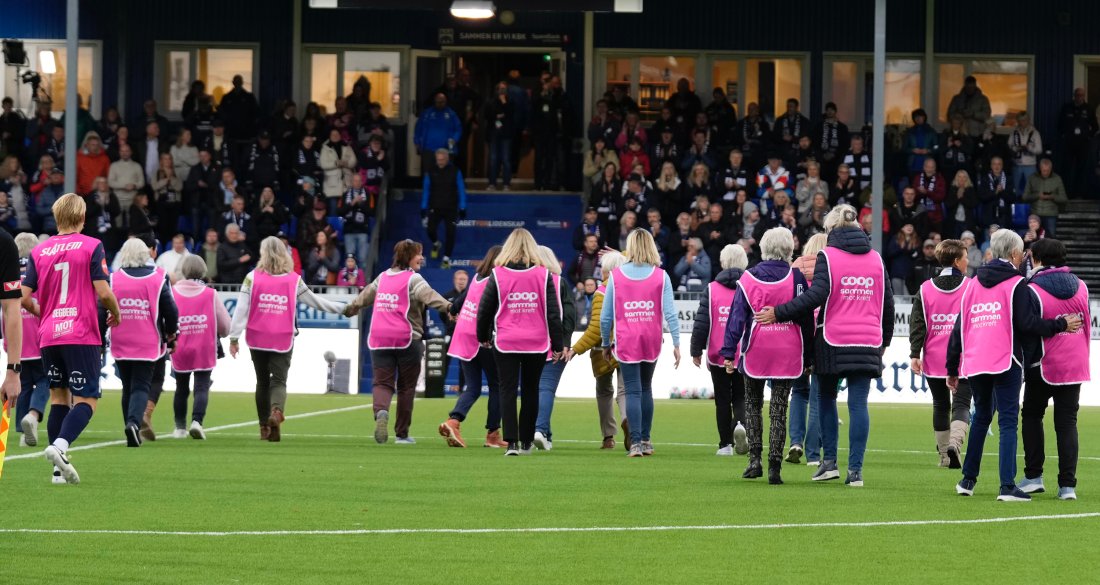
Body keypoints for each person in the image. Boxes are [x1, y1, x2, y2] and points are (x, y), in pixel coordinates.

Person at [754, 205, 894, 487]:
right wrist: (884, 342)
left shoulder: (827, 257)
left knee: (826, 399)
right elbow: (887, 305)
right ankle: (856, 471)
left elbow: (815, 296)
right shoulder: (877, 260)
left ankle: (829, 462)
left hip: (832, 339)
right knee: (858, 405)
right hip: (868, 341)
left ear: (831, 230)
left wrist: (779, 312)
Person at [946, 229, 1081, 502]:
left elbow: (960, 327)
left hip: (976, 359)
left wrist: (952, 367)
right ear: (1013, 254)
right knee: (1008, 423)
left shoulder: (971, 283)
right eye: (1020, 253)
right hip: (1007, 359)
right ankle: (1007, 486)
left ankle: (967, 480)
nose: (1022, 258)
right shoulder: (1016, 283)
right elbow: (1028, 323)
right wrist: (1060, 324)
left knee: (981, 418)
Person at [23, 193, 121, 484]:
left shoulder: (39, 251)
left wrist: (44, 312)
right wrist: (116, 312)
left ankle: (57, 472)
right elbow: (103, 292)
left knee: (58, 399)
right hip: (80, 333)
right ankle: (60, 447)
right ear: (81, 217)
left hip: (50, 334)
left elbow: (24, 298)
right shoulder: (92, 245)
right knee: (87, 400)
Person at [228, 236, 345, 441]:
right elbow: (315, 302)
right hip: (282, 337)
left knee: (262, 382)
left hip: (257, 336)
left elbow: (241, 309)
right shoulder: (293, 279)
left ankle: (264, 427)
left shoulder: (252, 277)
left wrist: (234, 338)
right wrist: (343, 309)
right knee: (279, 381)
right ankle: (276, 411)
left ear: (263, 253)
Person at [723, 228, 812, 484]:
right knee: (779, 409)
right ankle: (775, 466)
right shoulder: (796, 278)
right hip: (788, 349)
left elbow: (737, 317)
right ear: (788, 249)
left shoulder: (748, 278)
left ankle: (755, 461)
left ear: (764, 248)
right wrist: (808, 356)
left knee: (752, 404)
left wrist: (729, 352)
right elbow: (805, 317)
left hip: (757, 349)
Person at [346, 239, 450, 444]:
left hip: (379, 339)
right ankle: (401, 434)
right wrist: (449, 307)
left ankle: (381, 412)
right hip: (407, 339)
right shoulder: (414, 279)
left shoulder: (382, 277)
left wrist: (351, 308)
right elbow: (430, 296)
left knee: (382, 383)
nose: (421, 258)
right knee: (406, 387)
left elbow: (364, 296)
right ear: (409, 257)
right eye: (418, 254)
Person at [475, 229, 563, 455]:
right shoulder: (543, 275)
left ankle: (511, 443)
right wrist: (557, 344)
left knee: (507, 390)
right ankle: (526, 443)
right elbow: (553, 313)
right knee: (531, 391)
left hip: (506, 341)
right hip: (536, 341)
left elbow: (484, 310)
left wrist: (483, 336)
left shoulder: (498, 274)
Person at [1019, 239, 1089, 500]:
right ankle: (1067, 485)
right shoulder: (1081, 286)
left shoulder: (1031, 289)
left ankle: (1034, 475)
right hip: (1074, 364)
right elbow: (1085, 323)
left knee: (1032, 416)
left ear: (1036, 258)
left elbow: (1027, 326)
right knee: (1067, 423)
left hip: (1043, 362)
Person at [601, 229, 680, 457]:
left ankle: (635, 443)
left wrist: (606, 343)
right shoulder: (661, 275)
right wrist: (676, 343)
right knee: (646, 389)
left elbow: (606, 316)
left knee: (633, 391)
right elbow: (670, 313)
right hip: (651, 338)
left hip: (627, 339)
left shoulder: (616, 276)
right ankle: (646, 440)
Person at [909, 240, 973, 469]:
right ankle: (955, 444)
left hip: (935, 356)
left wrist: (914, 352)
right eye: (965, 257)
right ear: (957, 261)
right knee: (962, 403)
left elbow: (917, 323)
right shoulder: (970, 286)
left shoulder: (926, 288)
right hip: (965, 357)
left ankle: (945, 457)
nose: (968, 261)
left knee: (939, 404)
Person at [109, 238, 178, 447]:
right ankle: (133, 424)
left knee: (126, 386)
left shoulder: (114, 278)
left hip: (121, 338)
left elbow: (101, 308)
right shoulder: (157, 278)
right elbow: (171, 310)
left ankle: (130, 427)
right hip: (147, 341)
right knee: (141, 386)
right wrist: (171, 331)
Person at [439, 246, 507, 449]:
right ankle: (493, 434)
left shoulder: (477, 277)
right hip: (483, 337)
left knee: (473, 387)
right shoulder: (497, 280)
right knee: (498, 386)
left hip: (463, 336)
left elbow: (458, 303)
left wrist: (452, 311)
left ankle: (453, 421)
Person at [565, 250, 629, 449]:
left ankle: (609, 436)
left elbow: (596, 329)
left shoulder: (602, 292)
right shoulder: (629, 287)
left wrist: (575, 349)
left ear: (607, 269)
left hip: (604, 349)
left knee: (604, 392)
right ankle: (630, 422)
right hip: (627, 346)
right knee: (625, 390)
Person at [691, 244, 748, 456]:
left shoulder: (712, 288)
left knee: (723, 399)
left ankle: (725, 444)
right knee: (741, 396)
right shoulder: (750, 287)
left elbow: (702, 322)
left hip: (718, 353)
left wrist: (696, 349)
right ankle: (740, 424)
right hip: (744, 352)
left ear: (723, 262)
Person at [170, 254, 229, 439]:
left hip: (180, 346)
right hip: (204, 346)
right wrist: (224, 334)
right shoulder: (210, 294)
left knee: (181, 387)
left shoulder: (172, 292)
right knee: (202, 386)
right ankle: (197, 421)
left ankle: (180, 428)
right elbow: (225, 325)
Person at [787, 233, 827, 466]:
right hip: (821, 336)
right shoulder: (831, 269)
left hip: (797, 337)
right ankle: (813, 453)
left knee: (799, 393)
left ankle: (795, 442)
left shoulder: (795, 270)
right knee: (818, 395)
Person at [533, 246, 577, 451]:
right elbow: (568, 315)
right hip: (554, 344)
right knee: (546, 389)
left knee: (537, 390)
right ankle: (542, 431)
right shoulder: (560, 283)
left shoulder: (528, 281)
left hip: (529, 345)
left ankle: (542, 432)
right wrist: (566, 342)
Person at [7, 232, 46, 449]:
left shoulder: (9, 275)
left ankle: (23, 433)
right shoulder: (39, 274)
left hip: (17, 342)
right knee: (44, 381)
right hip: (39, 337)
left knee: (21, 382)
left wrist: (6, 341)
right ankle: (33, 415)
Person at [421, 148, 467, 270]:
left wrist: (463, 207)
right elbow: (426, 190)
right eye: (438, 160)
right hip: (434, 207)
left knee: (450, 233)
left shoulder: (455, 171)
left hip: (451, 208)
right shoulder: (430, 171)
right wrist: (423, 207)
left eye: (442, 160)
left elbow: (461, 189)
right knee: (430, 230)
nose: (440, 162)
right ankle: (436, 244)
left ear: (447, 159)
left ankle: (446, 258)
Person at [1058, 88, 1098, 198]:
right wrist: (1064, 135)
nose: (1079, 97)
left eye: (1081, 95)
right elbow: (1060, 124)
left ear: (1084, 96)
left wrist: (1088, 136)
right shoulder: (1067, 108)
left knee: (1081, 169)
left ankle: (1078, 194)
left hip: (1083, 144)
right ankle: (1065, 193)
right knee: (1067, 168)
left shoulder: (1089, 109)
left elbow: (1095, 126)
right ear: (1074, 96)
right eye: (1077, 95)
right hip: (1069, 144)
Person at [414, 92, 463, 173]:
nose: (440, 104)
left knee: (446, 174)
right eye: (438, 102)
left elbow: (458, 129)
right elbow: (418, 128)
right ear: (434, 101)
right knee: (428, 173)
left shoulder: (451, 114)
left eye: (442, 102)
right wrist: (417, 142)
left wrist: (454, 139)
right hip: (428, 149)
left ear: (446, 102)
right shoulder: (426, 113)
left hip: (446, 149)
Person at [1021, 158, 1067, 238]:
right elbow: (1024, 197)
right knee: (1033, 239)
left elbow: (1064, 199)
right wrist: (1038, 195)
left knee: (1051, 239)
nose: (1045, 172)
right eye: (1043, 170)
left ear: (1051, 169)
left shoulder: (1057, 179)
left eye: (1048, 170)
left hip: (1051, 214)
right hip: (1035, 213)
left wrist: (1052, 196)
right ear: (1040, 168)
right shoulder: (1032, 178)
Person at [482, 81, 515, 191]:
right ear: (496, 90)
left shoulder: (510, 101)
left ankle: (506, 183)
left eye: (504, 89)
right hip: (494, 133)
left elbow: (510, 114)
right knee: (493, 159)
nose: (502, 91)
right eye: (500, 89)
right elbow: (488, 115)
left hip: (506, 134)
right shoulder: (490, 102)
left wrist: (504, 103)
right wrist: (499, 115)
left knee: (506, 159)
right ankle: (492, 183)